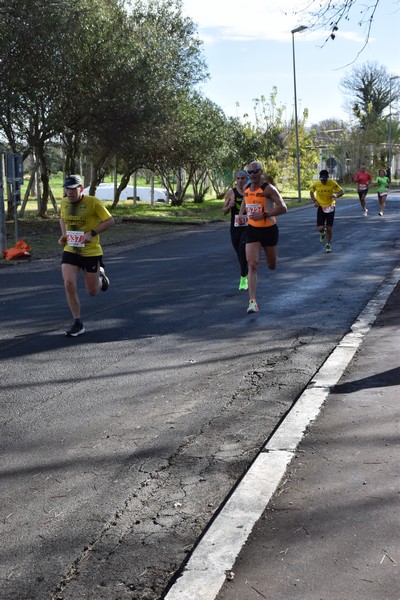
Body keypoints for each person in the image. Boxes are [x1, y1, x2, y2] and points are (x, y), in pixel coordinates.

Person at [59, 175, 114, 336]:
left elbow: (110, 221)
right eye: (67, 189)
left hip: (91, 251)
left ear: (81, 188)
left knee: (92, 291)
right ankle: (77, 323)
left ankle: (101, 277)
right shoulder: (64, 202)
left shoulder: (93, 202)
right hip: (71, 249)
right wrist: (64, 235)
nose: (69, 192)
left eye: (73, 189)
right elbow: (62, 218)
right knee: (69, 283)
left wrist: (92, 233)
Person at [238, 161, 287, 314]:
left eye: (255, 172)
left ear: (261, 172)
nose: (252, 175)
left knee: (272, 265)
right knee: (252, 264)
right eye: (249, 173)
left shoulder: (268, 189)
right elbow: (246, 201)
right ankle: (252, 302)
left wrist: (264, 214)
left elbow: (283, 208)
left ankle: (272, 259)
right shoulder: (246, 188)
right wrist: (241, 214)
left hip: (269, 230)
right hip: (253, 230)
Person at [222, 170, 249, 290]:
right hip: (235, 226)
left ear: (246, 179)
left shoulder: (250, 191)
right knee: (238, 251)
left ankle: (243, 277)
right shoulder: (231, 193)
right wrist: (229, 206)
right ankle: (246, 270)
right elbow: (224, 212)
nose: (240, 181)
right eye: (238, 178)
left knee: (242, 250)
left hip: (248, 226)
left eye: (242, 178)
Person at [310, 169, 344, 254]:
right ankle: (323, 232)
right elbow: (311, 192)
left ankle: (328, 244)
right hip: (321, 207)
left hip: (330, 206)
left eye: (325, 180)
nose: (323, 182)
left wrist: (336, 195)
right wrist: (315, 201)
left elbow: (342, 191)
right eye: (322, 180)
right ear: (320, 178)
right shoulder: (316, 184)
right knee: (320, 228)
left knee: (329, 228)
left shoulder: (332, 183)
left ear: (327, 178)